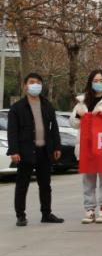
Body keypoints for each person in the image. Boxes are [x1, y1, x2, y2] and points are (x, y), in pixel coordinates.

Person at [7, 74, 64, 227]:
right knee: (22, 185)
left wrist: (57, 146)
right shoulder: (17, 108)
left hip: (44, 151)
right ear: (25, 85)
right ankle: (20, 215)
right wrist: (14, 151)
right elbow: (12, 132)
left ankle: (46, 213)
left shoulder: (47, 105)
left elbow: (54, 128)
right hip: (25, 151)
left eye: (38, 82)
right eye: (32, 82)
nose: (35, 85)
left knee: (45, 185)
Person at [70, 69, 102, 224]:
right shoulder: (82, 101)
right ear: (90, 82)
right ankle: (89, 209)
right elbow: (73, 123)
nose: (98, 83)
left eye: (101, 81)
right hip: (87, 145)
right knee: (88, 179)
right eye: (95, 81)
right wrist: (79, 115)